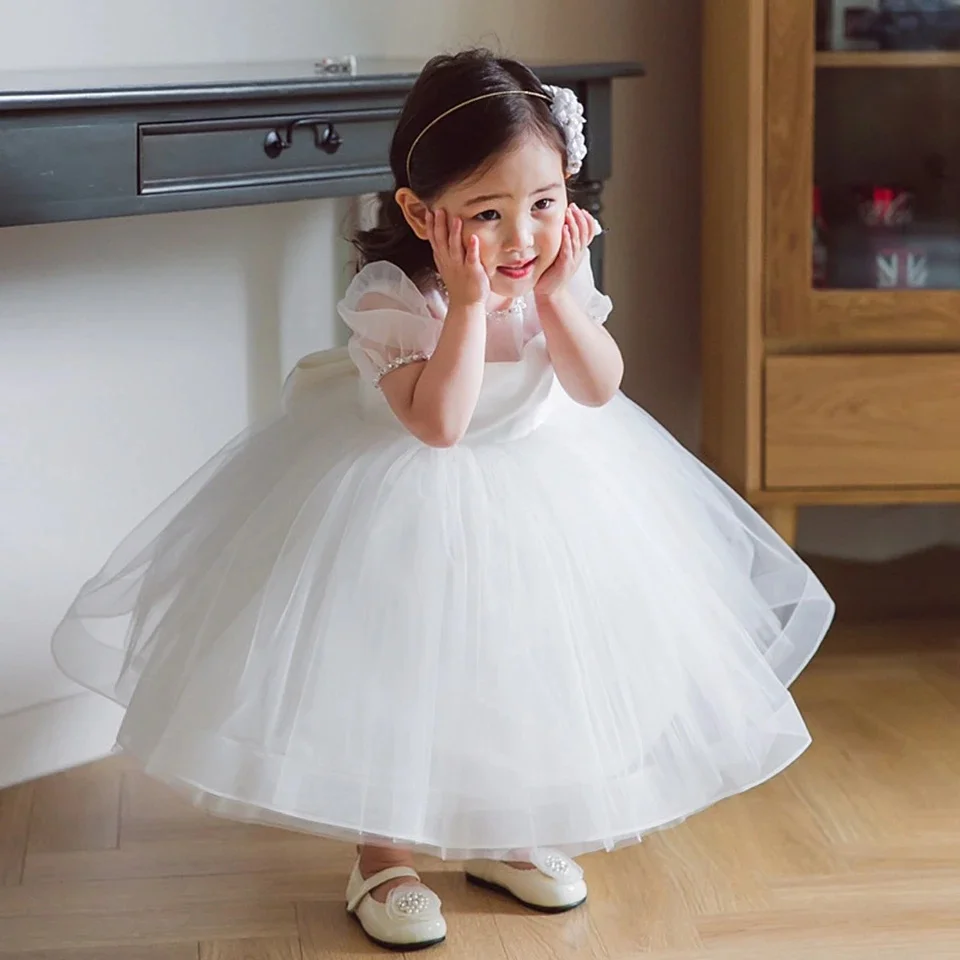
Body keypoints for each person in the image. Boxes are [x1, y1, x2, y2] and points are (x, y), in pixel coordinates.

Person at [51, 48, 834, 952]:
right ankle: (382, 853)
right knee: (396, 673)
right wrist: (466, 308)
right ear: (422, 213)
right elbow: (440, 423)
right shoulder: (395, 298)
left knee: (524, 665)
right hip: (411, 505)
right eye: (487, 216)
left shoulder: (552, 275)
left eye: (543, 207)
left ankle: (503, 829)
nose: (520, 239)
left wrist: (561, 300)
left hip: (552, 497)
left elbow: (598, 387)